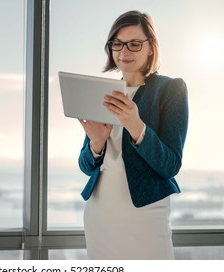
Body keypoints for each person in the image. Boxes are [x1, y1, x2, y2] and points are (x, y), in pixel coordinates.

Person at [78, 10, 188, 259]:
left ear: (151, 48)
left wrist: (136, 126)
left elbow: (170, 165)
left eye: (134, 44)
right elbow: (86, 166)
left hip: (146, 215)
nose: (124, 51)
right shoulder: (103, 91)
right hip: (100, 214)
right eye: (117, 44)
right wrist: (96, 143)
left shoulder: (171, 90)